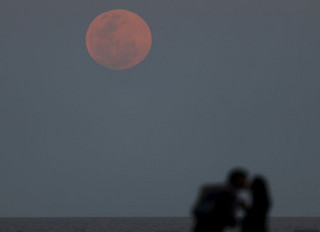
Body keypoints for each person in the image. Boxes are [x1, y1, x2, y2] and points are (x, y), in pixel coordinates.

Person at [192, 168, 248, 232]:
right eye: (243, 180)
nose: (244, 183)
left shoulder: (214, 190)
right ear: (237, 180)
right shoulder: (229, 193)